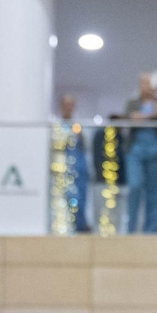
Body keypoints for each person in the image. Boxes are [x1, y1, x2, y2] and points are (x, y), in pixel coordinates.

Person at [121, 72, 157, 235]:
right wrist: (152, 115)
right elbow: (131, 118)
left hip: (156, 152)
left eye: (150, 83)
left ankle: (151, 230)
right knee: (135, 186)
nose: (147, 86)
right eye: (144, 83)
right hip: (135, 152)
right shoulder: (132, 103)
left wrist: (147, 115)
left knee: (155, 192)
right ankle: (131, 229)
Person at [50, 94, 91, 233]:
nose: (68, 107)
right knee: (67, 198)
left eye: (71, 105)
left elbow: (87, 145)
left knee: (81, 198)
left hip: (79, 165)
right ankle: (66, 228)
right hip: (63, 166)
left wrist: (79, 134)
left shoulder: (79, 124)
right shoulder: (56, 125)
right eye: (66, 104)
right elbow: (56, 143)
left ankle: (81, 226)